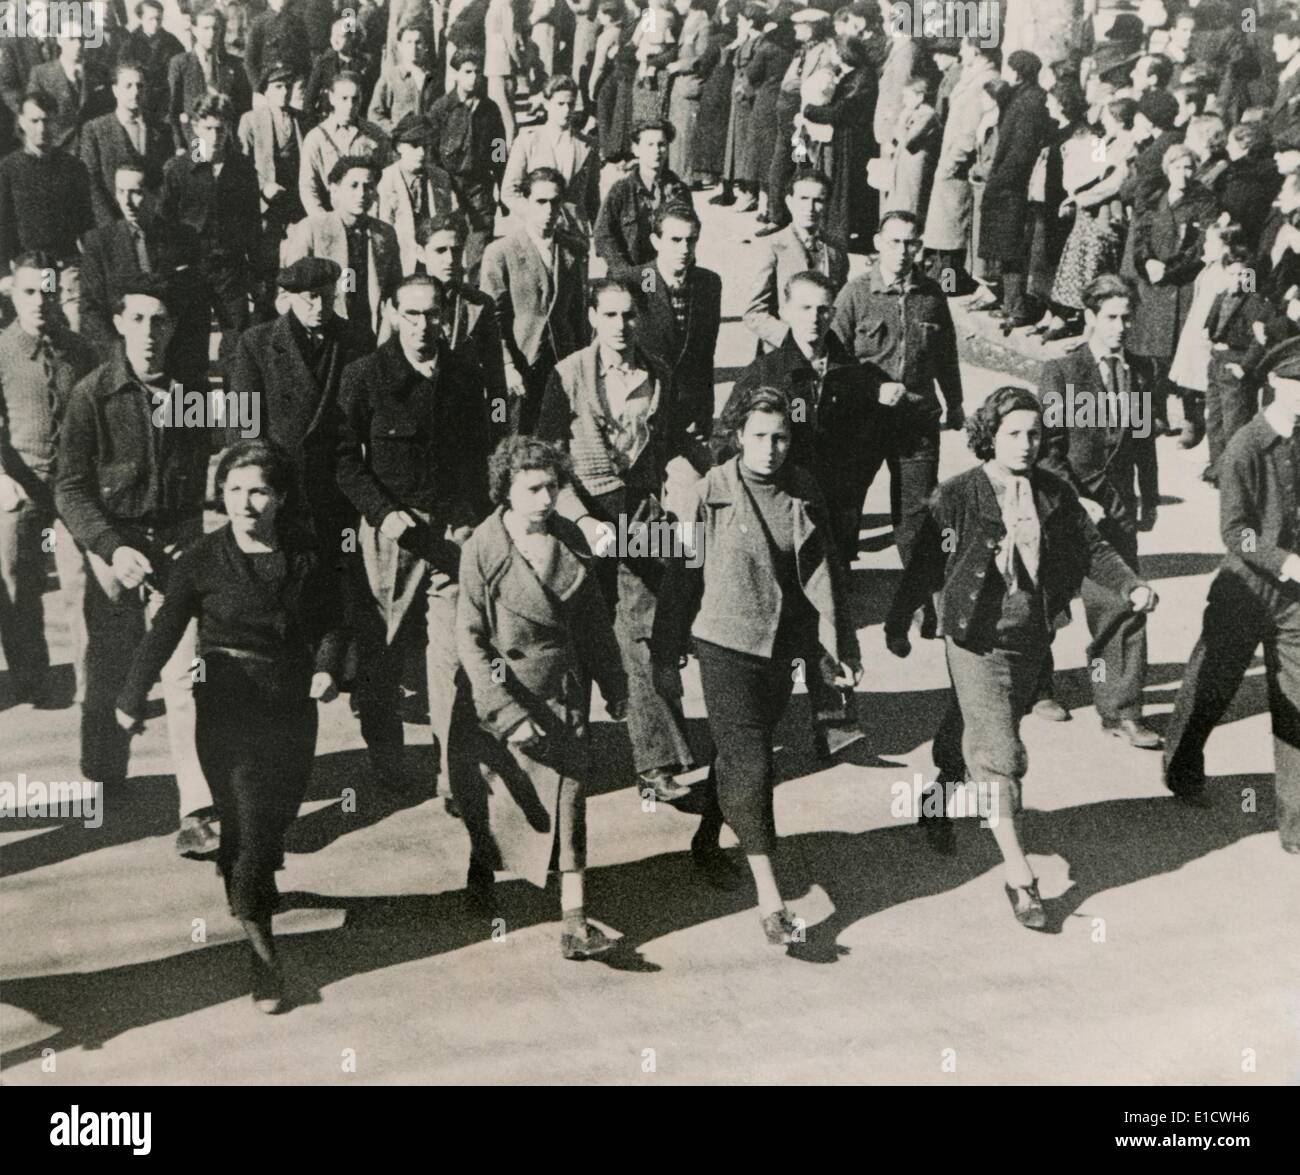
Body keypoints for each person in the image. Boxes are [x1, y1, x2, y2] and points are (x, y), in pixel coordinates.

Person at [886, 386, 1157, 928]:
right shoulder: (958, 494)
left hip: (1031, 639)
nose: (1027, 444)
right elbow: (923, 564)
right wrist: (899, 622)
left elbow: (1093, 548)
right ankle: (1022, 879)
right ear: (989, 436)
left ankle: (939, 795)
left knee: (978, 725)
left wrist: (1130, 587)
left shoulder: (1053, 492)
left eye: (1034, 433)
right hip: (974, 641)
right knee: (1002, 753)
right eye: (1013, 433)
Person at [116, 439, 347, 1013]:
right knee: (247, 823)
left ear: (281, 497)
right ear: (221, 496)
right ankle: (265, 960)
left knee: (275, 817)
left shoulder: (307, 554)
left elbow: (334, 623)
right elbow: (165, 631)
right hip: (225, 706)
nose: (245, 503)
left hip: (291, 706)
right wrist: (129, 697)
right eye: (235, 490)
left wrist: (326, 669)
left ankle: (244, 886)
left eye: (259, 491)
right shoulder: (198, 559)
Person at [651, 384, 861, 938]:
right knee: (755, 763)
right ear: (738, 436)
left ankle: (705, 839)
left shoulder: (804, 489)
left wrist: (844, 650)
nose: (772, 447)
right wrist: (664, 652)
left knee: (735, 755)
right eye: (760, 436)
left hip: (779, 647)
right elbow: (681, 576)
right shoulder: (709, 493)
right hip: (723, 644)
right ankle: (773, 905)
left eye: (782, 437)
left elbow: (829, 574)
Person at [55, 274, 216, 851]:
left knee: (186, 677)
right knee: (109, 669)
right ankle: (103, 771)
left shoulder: (192, 396)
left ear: (173, 328)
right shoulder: (90, 395)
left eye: (160, 320)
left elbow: (212, 471)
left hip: (175, 552)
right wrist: (109, 546)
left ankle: (196, 808)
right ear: (119, 324)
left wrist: (193, 530)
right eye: (138, 319)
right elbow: (69, 487)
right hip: (112, 554)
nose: (149, 332)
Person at [536, 276, 710, 805]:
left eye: (629, 315)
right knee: (573, 636)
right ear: (591, 317)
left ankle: (655, 764)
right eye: (609, 315)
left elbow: (675, 444)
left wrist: (697, 491)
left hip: (638, 514)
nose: (621, 326)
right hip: (578, 516)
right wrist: (580, 520)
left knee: (644, 627)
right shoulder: (567, 376)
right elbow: (544, 460)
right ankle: (566, 756)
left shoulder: (659, 373)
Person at [456, 434, 630, 956]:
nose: (546, 499)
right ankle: (481, 870)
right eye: (533, 488)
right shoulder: (482, 549)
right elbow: (469, 636)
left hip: (565, 695)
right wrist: (505, 712)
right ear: (505, 490)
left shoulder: (571, 542)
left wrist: (615, 686)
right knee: (503, 803)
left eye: (552, 487)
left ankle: (574, 922)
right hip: (509, 699)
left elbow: (596, 624)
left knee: (572, 804)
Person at [335, 274, 492, 797]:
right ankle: (387, 756)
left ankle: (454, 772)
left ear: (446, 315)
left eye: (432, 314)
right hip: (393, 538)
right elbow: (342, 461)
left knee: (451, 657)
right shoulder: (364, 376)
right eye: (411, 314)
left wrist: (472, 518)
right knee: (383, 652)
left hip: (450, 535)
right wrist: (382, 513)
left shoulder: (465, 376)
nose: (422, 326)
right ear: (391, 313)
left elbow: (478, 457)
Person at [1162, 335, 1300, 854]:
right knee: (1214, 686)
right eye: (1298, 382)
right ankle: (1182, 762)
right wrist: (1286, 560)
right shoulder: (1246, 444)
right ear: (1273, 384)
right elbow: (1236, 532)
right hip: (1245, 590)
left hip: (1294, 601)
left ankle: (1297, 825)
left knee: (1295, 704)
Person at [1033, 274, 1161, 744]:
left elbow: (1144, 443)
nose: (1121, 327)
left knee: (1122, 603)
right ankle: (1035, 684)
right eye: (1111, 317)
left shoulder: (1143, 371)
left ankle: (1121, 709)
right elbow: (1047, 451)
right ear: (1089, 318)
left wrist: (1148, 496)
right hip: (1064, 506)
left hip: (1117, 509)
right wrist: (1075, 499)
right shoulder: (1063, 372)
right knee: (1044, 602)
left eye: (1128, 317)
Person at [831, 209, 964, 573]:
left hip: (916, 420)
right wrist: (871, 389)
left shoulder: (932, 294)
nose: (903, 251)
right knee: (848, 500)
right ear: (878, 243)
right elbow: (834, 359)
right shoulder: (855, 294)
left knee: (918, 510)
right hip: (864, 421)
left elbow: (946, 354)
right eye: (895, 242)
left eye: (911, 242)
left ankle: (919, 597)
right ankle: (839, 581)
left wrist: (955, 403)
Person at [0, 253, 97, 708]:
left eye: (47, 291)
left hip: (73, 488)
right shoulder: (1, 350)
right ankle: (31, 678)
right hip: (19, 484)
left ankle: (88, 683)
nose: (40, 301)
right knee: (18, 579)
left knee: (81, 585)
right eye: (29, 292)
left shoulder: (78, 350)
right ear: (13, 294)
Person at [724, 269, 871, 568]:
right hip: (783, 499)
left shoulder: (851, 374)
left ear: (833, 312)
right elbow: (727, 436)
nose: (814, 317)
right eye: (805, 308)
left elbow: (863, 441)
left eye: (823, 309)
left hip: (834, 504)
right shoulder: (765, 372)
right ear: (786, 311)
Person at [226, 257, 364, 567]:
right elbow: (243, 425)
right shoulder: (257, 343)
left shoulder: (355, 340)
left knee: (338, 576)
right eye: (311, 298)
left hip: (337, 488)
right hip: (281, 487)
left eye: (328, 297)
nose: (320, 306)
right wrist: (258, 486)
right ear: (289, 298)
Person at [77, 163, 208, 391]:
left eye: (136, 192)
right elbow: (91, 309)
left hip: (174, 363)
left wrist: (189, 362)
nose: (126, 202)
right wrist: (122, 356)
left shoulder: (183, 238)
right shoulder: (99, 243)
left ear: (155, 194)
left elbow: (197, 307)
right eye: (120, 192)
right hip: (121, 364)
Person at [480, 167, 589, 435]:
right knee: (517, 438)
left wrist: (585, 361)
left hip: (563, 362)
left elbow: (578, 313)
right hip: (521, 363)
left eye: (555, 202)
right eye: (540, 202)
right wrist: (506, 365)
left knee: (559, 438)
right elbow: (492, 318)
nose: (549, 210)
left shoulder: (573, 250)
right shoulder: (500, 252)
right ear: (526, 203)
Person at [159, 92, 259, 379]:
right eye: (208, 129)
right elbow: (164, 224)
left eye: (221, 128)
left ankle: (235, 417)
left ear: (229, 128)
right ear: (194, 128)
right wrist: (174, 267)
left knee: (238, 343)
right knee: (192, 349)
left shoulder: (241, 168)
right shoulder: (178, 170)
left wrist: (255, 271)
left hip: (231, 269)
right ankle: (195, 421)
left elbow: (252, 224)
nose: (215, 136)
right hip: (193, 270)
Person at [1129, 142, 1219, 448]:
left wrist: (1168, 270)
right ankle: (1154, 416)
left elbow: (1200, 248)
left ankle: (1191, 420)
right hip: (1152, 289)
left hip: (1182, 289)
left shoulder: (1204, 202)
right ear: (1168, 169)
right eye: (1178, 167)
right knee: (1146, 356)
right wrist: (1147, 262)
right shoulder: (1155, 198)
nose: (1184, 174)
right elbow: (1140, 237)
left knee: (1182, 357)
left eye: (1189, 167)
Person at [282, 155, 403, 351]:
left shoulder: (384, 233)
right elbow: (290, 289)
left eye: (368, 187)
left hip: (369, 329)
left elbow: (394, 288)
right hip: (325, 328)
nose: (362, 194)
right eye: (353, 186)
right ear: (335, 189)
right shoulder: (312, 229)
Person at [978, 50, 1055, 329]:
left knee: (1013, 249)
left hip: (1014, 188)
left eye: (1009, 68)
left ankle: (1018, 308)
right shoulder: (1022, 96)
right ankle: (1010, 303)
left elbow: (1020, 153)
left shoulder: (1029, 103)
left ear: (1019, 72)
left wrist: (998, 181)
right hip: (1009, 186)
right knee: (1006, 248)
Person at [631, 200, 721, 437]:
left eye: (691, 240)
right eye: (675, 240)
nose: (684, 249)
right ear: (655, 241)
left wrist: (704, 415)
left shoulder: (709, 284)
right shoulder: (635, 283)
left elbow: (705, 357)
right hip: (643, 412)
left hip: (687, 415)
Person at [743, 168, 848, 354]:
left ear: (827, 205)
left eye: (818, 201)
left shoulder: (835, 249)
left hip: (825, 351)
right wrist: (790, 338)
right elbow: (754, 313)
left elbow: (840, 305)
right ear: (789, 202)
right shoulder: (772, 246)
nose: (810, 208)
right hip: (782, 351)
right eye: (803, 199)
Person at [418, 212, 508, 426]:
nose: (449, 259)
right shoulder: (403, 300)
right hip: (417, 420)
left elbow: (496, 377)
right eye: (440, 251)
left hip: (464, 420)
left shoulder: (480, 304)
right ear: (421, 253)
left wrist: (500, 425)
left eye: (456, 251)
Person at [426, 49, 509, 277]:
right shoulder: (441, 108)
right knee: (448, 248)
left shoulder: (490, 109)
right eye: (467, 72)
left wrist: (504, 188)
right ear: (456, 74)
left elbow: (499, 151)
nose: (473, 77)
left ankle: (474, 303)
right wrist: (444, 188)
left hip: (480, 186)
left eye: (477, 72)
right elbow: (431, 156)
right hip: (449, 187)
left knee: (479, 251)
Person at [237, 60, 305, 320]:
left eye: (288, 87)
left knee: (294, 263)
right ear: (266, 90)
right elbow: (242, 168)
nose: (284, 93)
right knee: (265, 268)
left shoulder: (302, 120)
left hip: (295, 206)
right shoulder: (251, 121)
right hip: (265, 207)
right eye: (277, 87)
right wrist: (263, 188)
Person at [0, 92, 94, 274]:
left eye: (47, 121)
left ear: (56, 122)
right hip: (30, 267)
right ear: (21, 121)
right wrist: (3, 273)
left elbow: (86, 224)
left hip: (67, 264)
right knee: (46, 297)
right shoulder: (8, 169)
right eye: (34, 121)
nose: (42, 128)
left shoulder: (74, 167)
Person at [501, 74, 600, 234]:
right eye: (560, 104)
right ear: (546, 104)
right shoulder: (528, 140)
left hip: (573, 232)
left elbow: (592, 197)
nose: (566, 110)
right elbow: (509, 192)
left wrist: (599, 234)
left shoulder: (587, 144)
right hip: (534, 230)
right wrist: (538, 216)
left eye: (571, 104)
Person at [79, 62, 173, 225]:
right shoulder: (95, 130)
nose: (135, 92)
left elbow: (165, 178)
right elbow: (90, 181)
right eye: (128, 86)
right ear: (115, 90)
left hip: (152, 222)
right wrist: (110, 224)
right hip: (113, 223)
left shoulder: (161, 129)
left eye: (140, 86)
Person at [594, 118, 687, 274]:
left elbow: (689, 233)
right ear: (636, 149)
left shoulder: (679, 190)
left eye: (661, 145)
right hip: (631, 273)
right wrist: (624, 271)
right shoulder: (621, 190)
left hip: (667, 274)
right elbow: (603, 235)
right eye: (649, 145)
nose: (657, 151)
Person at [375, 113, 460, 275]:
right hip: (399, 263)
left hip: (434, 263)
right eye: (415, 146)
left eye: (426, 146)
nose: (422, 152)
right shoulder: (385, 180)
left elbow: (451, 219)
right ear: (399, 147)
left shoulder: (440, 178)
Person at [297, 72, 389, 219]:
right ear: (332, 98)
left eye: (355, 99)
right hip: (330, 215)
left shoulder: (374, 135)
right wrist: (323, 222)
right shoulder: (316, 138)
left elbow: (386, 179)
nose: (350, 105)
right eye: (344, 98)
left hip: (367, 216)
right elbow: (308, 188)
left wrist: (376, 218)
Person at [167, 5, 252, 154]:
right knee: (200, 172)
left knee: (226, 175)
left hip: (227, 141)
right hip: (195, 140)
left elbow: (244, 107)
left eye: (215, 28)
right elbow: (174, 110)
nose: (211, 34)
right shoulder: (180, 64)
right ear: (194, 29)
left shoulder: (234, 65)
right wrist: (179, 145)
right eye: (205, 28)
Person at [28, 27, 112, 152]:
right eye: (72, 38)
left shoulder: (100, 72)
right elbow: (33, 116)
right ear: (59, 40)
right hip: (57, 150)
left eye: (82, 39)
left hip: (95, 147)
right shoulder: (41, 74)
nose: (78, 44)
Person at [665, 0, 712, 185]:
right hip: (680, 84)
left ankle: (687, 177)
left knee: (686, 134)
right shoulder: (688, 20)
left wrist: (680, 65)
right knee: (678, 133)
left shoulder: (703, 23)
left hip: (690, 84)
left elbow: (702, 57)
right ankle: (677, 175)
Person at [304, 17, 378, 129]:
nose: (335, 40)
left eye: (340, 36)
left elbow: (371, 99)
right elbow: (309, 99)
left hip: (358, 125)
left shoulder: (366, 64)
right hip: (328, 124)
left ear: (353, 38)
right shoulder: (324, 63)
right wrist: (315, 126)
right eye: (333, 35)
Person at [368, 19, 439, 134]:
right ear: (400, 46)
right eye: (409, 42)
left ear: (426, 46)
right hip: (400, 144)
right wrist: (395, 134)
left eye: (418, 42)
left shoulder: (434, 78)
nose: (414, 47)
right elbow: (374, 115)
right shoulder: (390, 77)